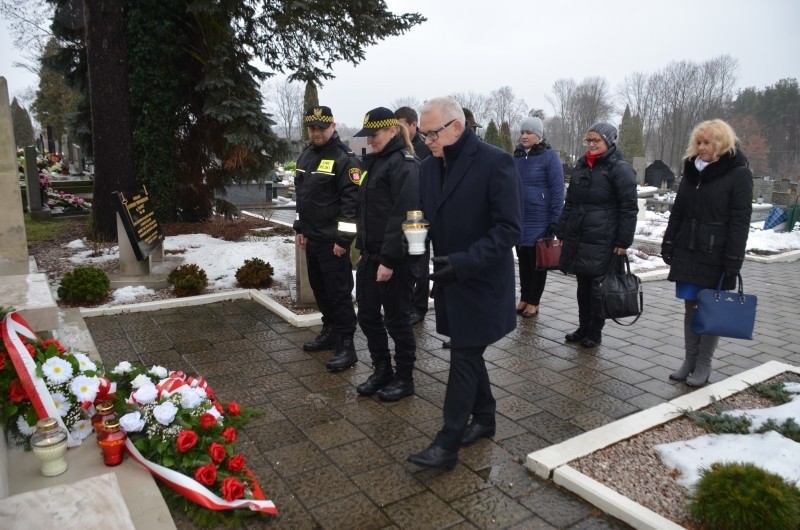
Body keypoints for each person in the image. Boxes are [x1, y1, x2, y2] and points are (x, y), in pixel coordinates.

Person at [407, 97, 521, 470]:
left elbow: (508, 230)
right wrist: (414, 237)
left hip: (482, 279)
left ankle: (447, 443)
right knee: (465, 348)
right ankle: (485, 418)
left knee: (464, 355)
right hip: (448, 278)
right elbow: (425, 216)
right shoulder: (427, 167)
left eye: (433, 133)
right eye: (423, 134)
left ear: (456, 127)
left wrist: (464, 262)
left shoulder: (494, 162)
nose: (427, 140)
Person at [661, 119, 753, 387]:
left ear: (721, 144)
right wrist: (669, 242)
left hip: (717, 252)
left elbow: (740, 221)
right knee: (691, 305)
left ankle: (704, 363)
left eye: (707, 143)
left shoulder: (738, 173)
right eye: (698, 142)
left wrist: (734, 260)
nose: (701, 148)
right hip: (689, 249)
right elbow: (678, 211)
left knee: (709, 307)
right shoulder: (692, 171)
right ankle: (689, 359)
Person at [352, 107, 421, 401]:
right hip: (371, 255)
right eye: (367, 134)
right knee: (367, 315)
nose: (370, 139)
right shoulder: (375, 163)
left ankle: (404, 378)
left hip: (395, 259)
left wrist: (390, 260)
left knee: (397, 320)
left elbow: (406, 215)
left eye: (375, 134)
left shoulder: (404, 164)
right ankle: (382, 370)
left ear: (392, 131)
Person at [556, 122, 638, 348]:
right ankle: (583, 327)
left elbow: (629, 207)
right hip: (580, 236)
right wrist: (562, 229)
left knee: (598, 288)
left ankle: (595, 332)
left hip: (604, 238)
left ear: (609, 142)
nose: (591, 145)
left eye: (596, 141)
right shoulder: (582, 166)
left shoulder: (620, 169)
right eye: (589, 140)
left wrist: (623, 240)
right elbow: (570, 201)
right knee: (583, 286)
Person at [293, 106, 361, 372]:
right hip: (313, 239)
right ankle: (330, 331)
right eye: (312, 127)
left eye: (321, 127)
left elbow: (351, 205)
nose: (316, 132)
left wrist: (343, 240)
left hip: (334, 243)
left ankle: (347, 345)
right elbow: (303, 197)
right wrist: (300, 227)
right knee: (321, 290)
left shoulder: (346, 159)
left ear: (332, 126)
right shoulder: (306, 157)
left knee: (339, 293)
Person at [513, 116, 564, 318]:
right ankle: (524, 297)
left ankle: (534, 301)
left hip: (539, 217)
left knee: (537, 262)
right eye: (523, 132)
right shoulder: (517, 156)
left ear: (539, 135)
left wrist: (555, 220)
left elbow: (557, 190)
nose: (525, 136)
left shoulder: (549, 157)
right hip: (520, 217)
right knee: (523, 260)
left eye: (529, 133)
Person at [395, 106, 431, 326]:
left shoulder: (426, 147)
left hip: (421, 214)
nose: (397, 129)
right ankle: (406, 303)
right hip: (402, 214)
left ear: (413, 124)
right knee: (405, 263)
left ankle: (419, 307)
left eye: (401, 125)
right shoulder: (397, 147)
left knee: (421, 263)